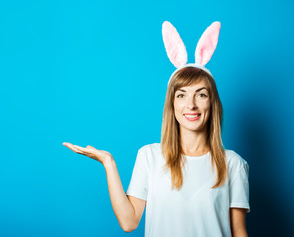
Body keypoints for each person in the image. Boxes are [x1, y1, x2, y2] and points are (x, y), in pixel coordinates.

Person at [63, 21, 250, 237]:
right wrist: (109, 163)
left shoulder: (233, 164)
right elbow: (129, 222)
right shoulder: (149, 156)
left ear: (213, 103)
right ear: (172, 104)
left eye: (201, 94)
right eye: (181, 95)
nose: (191, 104)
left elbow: (238, 231)